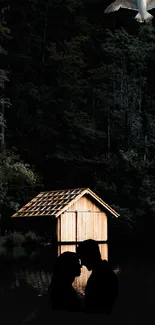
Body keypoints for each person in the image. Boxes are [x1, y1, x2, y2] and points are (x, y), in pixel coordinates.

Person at [76, 239, 118, 315]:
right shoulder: (105, 272)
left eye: (82, 258)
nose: (82, 263)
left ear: (89, 255)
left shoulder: (100, 276)